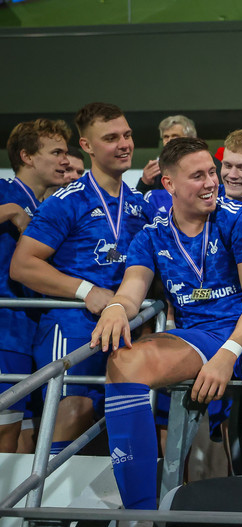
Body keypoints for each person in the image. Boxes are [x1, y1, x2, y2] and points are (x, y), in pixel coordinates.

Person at [91, 137, 242, 510]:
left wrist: (227, 355)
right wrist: (115, 308)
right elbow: (130, 292)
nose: (211, 183)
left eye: (211, 172)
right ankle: (140, 514)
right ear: (169, 184)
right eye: (197, 176)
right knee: (123, 363)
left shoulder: (240, 218)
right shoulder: (151, 235)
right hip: (200, 336)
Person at [10, 102, 152, 456]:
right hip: (74, 326)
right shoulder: (66, 200)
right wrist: (86, 290)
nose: (124, 144)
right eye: (111, 138)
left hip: (125, 329)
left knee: (109, 433)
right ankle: (49, 496)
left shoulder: (140, 204)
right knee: (72, 416)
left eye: (127, 135)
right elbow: (23, 265)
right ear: (87, 146)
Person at [0, 118, 71, 453]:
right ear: (27, 156)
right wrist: (11, 211)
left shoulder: (50, 208)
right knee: (5, 429)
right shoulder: (6, 192)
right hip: (5, 328)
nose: (66, 161)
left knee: (27, 435)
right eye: (56, 152)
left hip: (34, 330)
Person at [135, 115, 197, 193]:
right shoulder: (157, 170)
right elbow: (140, 199)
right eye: (166, 137)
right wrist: (145, 183)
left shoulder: (203, 163)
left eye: (175, 136)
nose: (169, 140)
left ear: (190, 139)